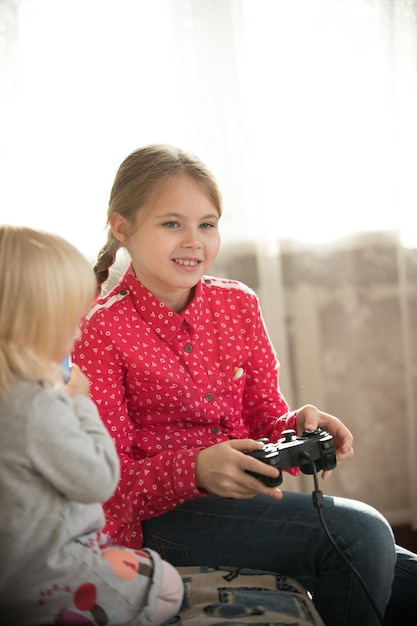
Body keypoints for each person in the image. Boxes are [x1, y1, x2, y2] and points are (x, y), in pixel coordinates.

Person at [72, 143, 417, 626]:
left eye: (207, 224)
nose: (194, 241)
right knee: (361, 535)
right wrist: (194, 470)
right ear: (122, 226)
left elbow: (264, 418)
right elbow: (106, 481)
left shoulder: (238, 305)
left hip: (246, 504)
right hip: (161, 521)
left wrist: (299, 428)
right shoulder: (98, 329)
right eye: (172, 223)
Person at [0, 225, 184, 626]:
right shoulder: (36, 405)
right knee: (167, 583)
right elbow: (100, 480)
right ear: (34, 324)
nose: (80, 331)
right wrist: (80, 403)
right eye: (70, 322)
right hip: (46, 579)